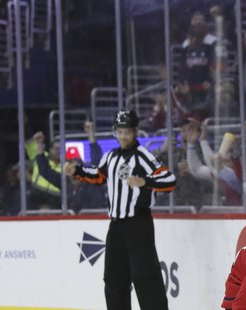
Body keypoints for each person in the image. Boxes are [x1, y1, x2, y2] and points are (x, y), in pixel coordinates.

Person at [65, 109, 176, 310]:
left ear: (135, 132)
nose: (123, 136)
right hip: (116, 226)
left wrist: (145, 181)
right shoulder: (111, 156)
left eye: (128, 132)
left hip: (138, 223)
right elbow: (98, 176)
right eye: (120, 131)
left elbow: (169, 179)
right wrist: (77, 170)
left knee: (145, 278)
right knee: (114, 279)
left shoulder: (143, 156)